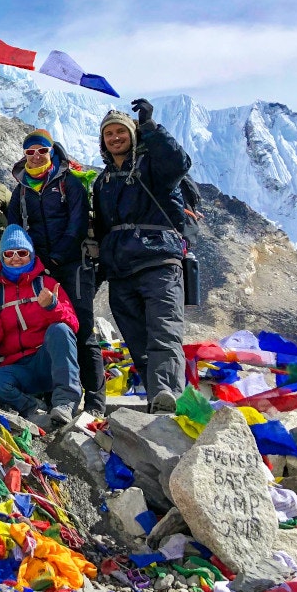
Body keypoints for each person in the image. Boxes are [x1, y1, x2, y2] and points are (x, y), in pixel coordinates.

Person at [93, 99, 191, 414]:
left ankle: (167, 395)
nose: (115, 137)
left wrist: (151, 128)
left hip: (159, 262)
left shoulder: (154, 166)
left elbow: (178, 163)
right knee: (137, 340)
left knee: (163, 331)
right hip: (121, 272)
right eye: (109, 133)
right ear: (103, 140)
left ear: (133, 135)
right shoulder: (102, 181)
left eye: (121, 131)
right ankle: (158, 399)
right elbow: (101, 229)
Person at [8, 129, 106, 416]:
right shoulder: (21, 192)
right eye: (30, 152)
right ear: (24, 155)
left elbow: (76, 225)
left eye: (41, 150)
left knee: (83, 330)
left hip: (74, 266)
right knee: (48, 331)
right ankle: (59, 399)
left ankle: (97, 403)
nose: (36, 156)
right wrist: (35, 265)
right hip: (41, 272)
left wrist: (54, 258)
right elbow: (16, 232)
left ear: (51, 152)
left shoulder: (69, 183)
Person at [0, 225, 81, 427]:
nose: (15, 258)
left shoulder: (47, 283)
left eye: (22, 253)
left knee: (59, 329)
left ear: (31, 254)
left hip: (47, 361)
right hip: (17, 368)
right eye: (9, 253)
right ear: (2, 257)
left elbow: (73, 325)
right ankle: (33, 409)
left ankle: (65, 404)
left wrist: (52, 306)